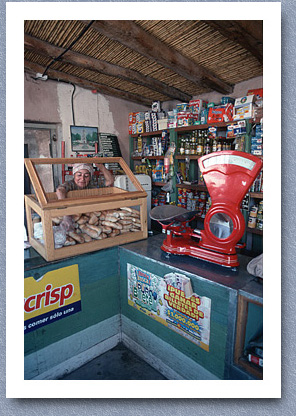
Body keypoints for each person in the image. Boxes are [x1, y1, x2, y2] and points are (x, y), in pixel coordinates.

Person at [56, 162, 114, 231]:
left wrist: (101, 167)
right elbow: (60, 191)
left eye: (86, 176)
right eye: (79, 175)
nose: (82, 179)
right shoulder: (70, 184)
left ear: (90, 177)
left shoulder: (92, 184)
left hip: (90, 216)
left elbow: (110, 181)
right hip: (74, 216)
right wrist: (66, 215)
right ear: (74, 175)